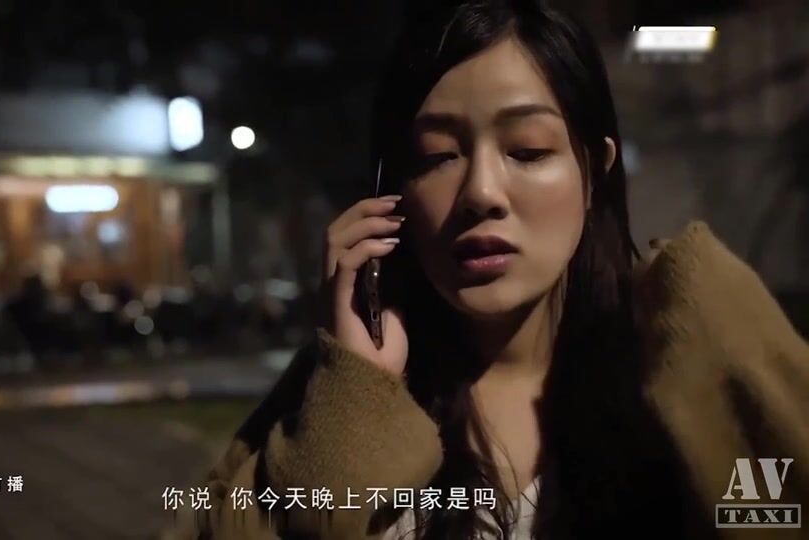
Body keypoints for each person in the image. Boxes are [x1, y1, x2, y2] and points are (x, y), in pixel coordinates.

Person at [169, 1, 809, 539]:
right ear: (393, 189)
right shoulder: (346, 387)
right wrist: (353, 398)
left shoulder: (683, 358)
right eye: (437, 155)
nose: (480, 192)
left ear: (594, 171)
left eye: (527, 150)